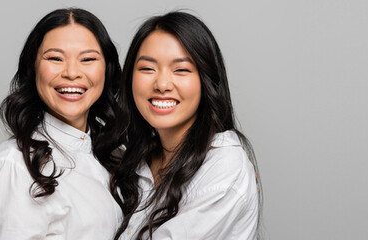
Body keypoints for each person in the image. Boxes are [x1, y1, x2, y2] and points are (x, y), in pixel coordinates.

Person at [110, 11, 262, 240]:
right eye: (147, 69)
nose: (161, 84)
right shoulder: (137, 160)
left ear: (206, 81)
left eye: (181, 70)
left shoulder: (223, 164)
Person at [0, 8, 124, 239]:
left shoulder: (110, 157)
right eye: (55, 58)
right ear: (33, 68)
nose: (72, 72)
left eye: (88, 59)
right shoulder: (14, 166)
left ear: (107, 69)